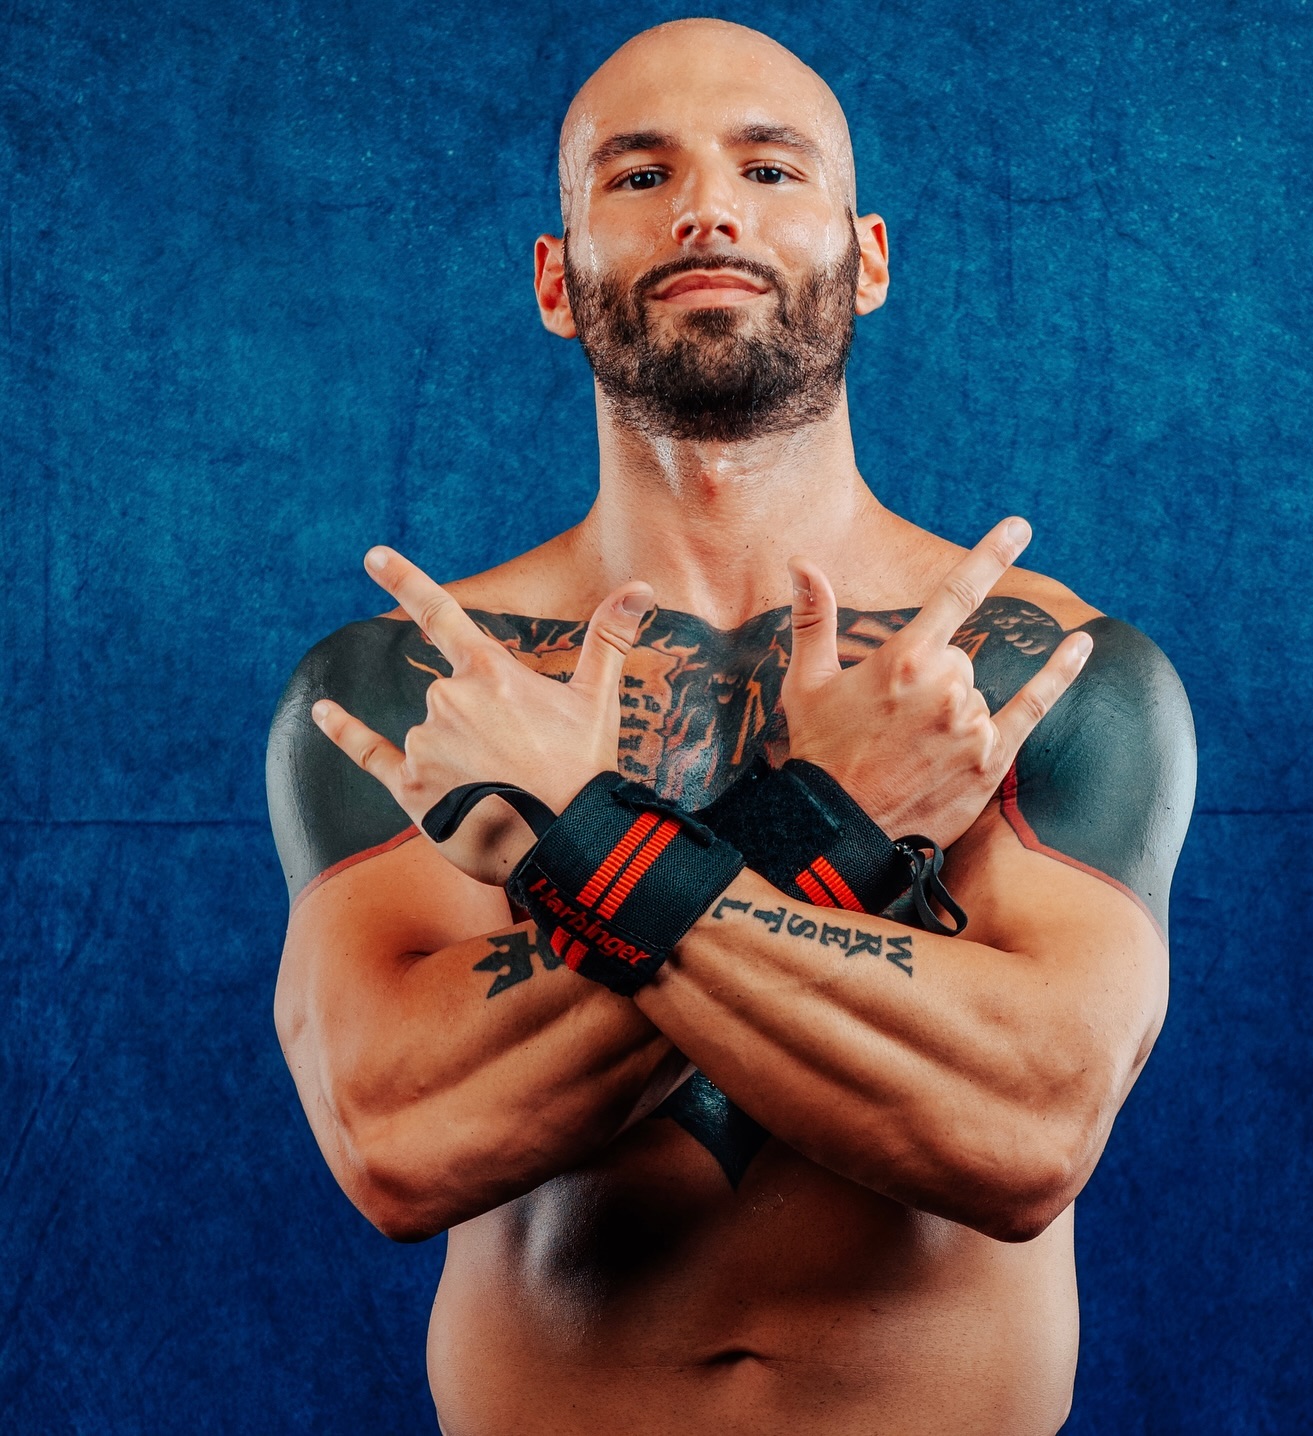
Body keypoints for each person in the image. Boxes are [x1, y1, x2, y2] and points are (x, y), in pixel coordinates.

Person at [266, 18, 1195, 1435]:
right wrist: (835, 824)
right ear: (556, 280)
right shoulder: (429, 686)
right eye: (640, 176)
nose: (707, 207)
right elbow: (402, 1136)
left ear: (867, 258)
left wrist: (585, 849)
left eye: (769, 168)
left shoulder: (1035, 672)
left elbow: (1021, 1130)